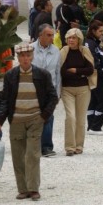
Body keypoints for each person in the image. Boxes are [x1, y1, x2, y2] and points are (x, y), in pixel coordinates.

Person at [0, 43, 59, 201]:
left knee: (32, 154)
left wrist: (44, 116)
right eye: (22, 56)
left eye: (28, 55)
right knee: (18, 155)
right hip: (16, 120)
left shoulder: (42, 74)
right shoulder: (11, 75)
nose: (25, 59)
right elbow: (5, 101)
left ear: (32, 56)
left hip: (35, 119)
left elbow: (53, 97)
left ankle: (33, 188)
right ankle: (23, 189)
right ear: (18, 57)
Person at [59, 27, 95, 155]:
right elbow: (61, 71)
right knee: (70, 117)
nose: (71, 40)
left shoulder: (84, 51)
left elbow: (90, 69)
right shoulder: (63, 51)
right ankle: (69, 147)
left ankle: (79, 146)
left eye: (74, 38)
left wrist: (76, 71)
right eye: (69, 38)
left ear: (79, 39)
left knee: (80, 119)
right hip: (67, 89)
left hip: (83, 89)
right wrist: (79, 72)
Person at [32, 24, 61, 157]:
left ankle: (47, 146)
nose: (52, 37)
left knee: (48, 116)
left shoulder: (56, 51)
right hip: (33, 89)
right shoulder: (30, 49)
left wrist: (58, 92)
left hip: (50, 89)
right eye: (49, 35)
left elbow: (58, 73)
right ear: (40, 35)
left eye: (52, 35)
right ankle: (33, 145)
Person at [85, 20, 103, 134]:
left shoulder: (94, 42)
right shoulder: (91, 44)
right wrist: (101, 71)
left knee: (94, 101)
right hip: (97, 76)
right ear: (93, 31)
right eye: (100, 31)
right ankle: (95, 126)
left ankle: (91, 125)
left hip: (97, 76)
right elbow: (93, 61)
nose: (102, 33)